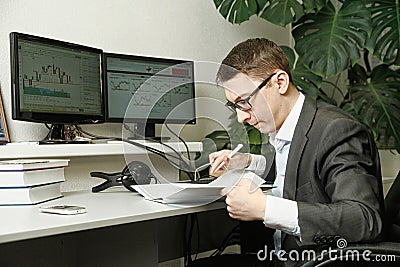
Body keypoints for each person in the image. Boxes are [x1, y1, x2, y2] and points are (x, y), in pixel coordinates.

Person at [208, 38, 384, 266]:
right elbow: (295, 169)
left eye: (245, 102)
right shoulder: (292, 128)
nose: (241, 117)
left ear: (279, 82)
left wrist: (265, 208)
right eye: (235, 106)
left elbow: (364, 218)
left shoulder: (337, 130)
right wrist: (248, 161)